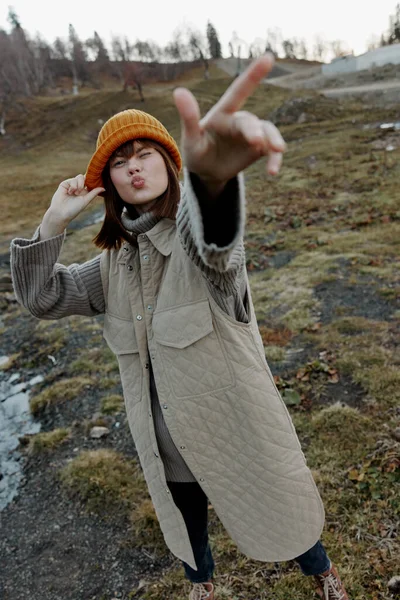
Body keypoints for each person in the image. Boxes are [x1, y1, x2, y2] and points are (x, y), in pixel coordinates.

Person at [10, 55, 349, 600]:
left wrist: (212, 185)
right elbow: (42, 298)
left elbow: (218, 247)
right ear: (109, 183)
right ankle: (202, 585)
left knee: (285, 513)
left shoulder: (196, 250)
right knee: (188, 526)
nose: (134, 168)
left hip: (234, 429)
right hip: (168, 445)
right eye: (120, 163)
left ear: (170, 164)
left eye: (146, 155)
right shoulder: (111, 267)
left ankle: (322, 573)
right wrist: (52, 223)